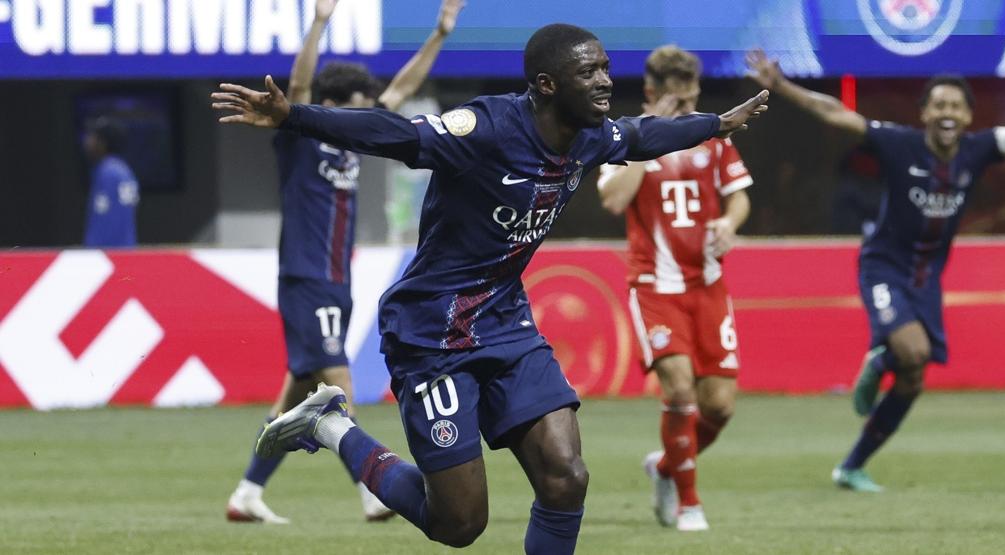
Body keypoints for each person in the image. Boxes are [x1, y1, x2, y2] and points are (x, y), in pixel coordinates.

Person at [213, 23, 768, 553]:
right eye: (589, 72)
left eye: (605, 68)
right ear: (547, 85)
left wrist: (714, 124)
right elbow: (397, 135)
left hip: (506, 321)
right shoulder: (486, 128)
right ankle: (331, 426)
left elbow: (643, 135)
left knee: (566, 476)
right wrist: (294, 117)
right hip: (432, 329)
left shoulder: (591, 137)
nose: (604, 81)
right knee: (458, 523)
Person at [746, 49, 1005, 492]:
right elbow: (838, 115)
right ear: (924, 113)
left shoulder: (979, 150)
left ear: (967, 116)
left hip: (925, 279)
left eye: (956, 106)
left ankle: (851, 465)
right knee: (912, 351)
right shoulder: (898, 143)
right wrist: (783, 85)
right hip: (882, 266)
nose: (947, 113)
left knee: (914, 377)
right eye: (939, 105)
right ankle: (881, 357)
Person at [225, 0, 465, 524]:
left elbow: (398, 91)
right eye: (355, 104)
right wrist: (319, 22)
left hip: (337, 279)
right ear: (334, 104)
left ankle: (246, 492)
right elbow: (300, 90)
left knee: (295, 397)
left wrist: (440, 33)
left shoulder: (350, 144)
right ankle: (373, 490)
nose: (367, 112)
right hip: (307, 277)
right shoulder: (299, 137)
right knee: (339, 382)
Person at [596, 45, 751, 532]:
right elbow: (613, 199)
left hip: (707, 285)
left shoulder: (716, 139)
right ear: (651, 95)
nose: (689, 113)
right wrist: (647, 141)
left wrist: (729, 222)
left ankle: (664, 466)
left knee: (719, 407)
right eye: (677, 106)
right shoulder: (623, 138)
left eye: (693, 102)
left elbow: (739, 198)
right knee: (680, 388)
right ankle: (688, 502)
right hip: (655, 287)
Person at [82, 117, 139, 248]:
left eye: (92, 137)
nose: (87, 142)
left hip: (109, 252)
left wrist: (91, 252)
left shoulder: (108, 172)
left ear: (103, 143)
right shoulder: (123, 169)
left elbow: (105, 222)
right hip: (125, 250)